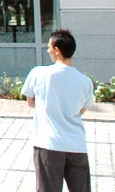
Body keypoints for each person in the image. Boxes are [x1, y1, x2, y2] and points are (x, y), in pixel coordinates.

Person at [21, 29, 95, 192]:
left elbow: (30, 101)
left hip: (48, 145)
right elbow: (82, 110)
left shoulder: (39, 73)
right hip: (77, 146)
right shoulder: (85, 81)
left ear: (57, 50)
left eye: (49, 47)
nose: (47, 50)